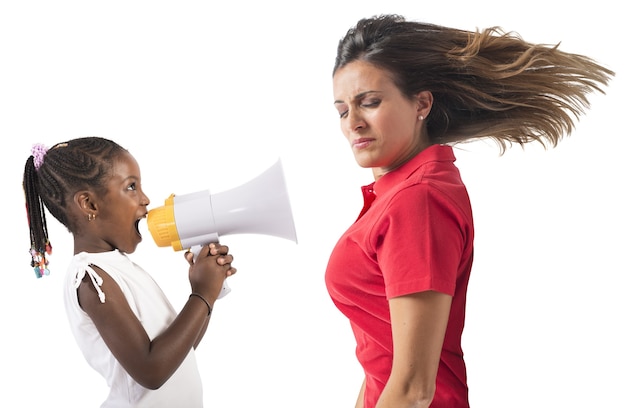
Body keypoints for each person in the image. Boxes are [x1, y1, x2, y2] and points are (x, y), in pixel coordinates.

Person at [325, 14, 613, 408]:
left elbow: (413, 388)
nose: (353, 123)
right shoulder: (399, 194)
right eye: (342, 111)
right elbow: (382, 361)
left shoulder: (418, 201)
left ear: (421, 103)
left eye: (370, 103)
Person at [23, 137, 237, 407]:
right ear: (89, 204)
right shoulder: (92, 279)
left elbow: (180, 354)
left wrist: (207, 294)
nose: (145, 199)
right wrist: (202, 295)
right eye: (131, 187)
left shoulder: (121, 267)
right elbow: (152, 371)